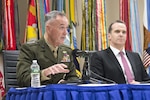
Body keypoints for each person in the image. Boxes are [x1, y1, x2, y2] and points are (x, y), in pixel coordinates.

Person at [16, 11, 79, 87]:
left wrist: (65, 83)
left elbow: (73, 77)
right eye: (61, 27)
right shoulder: (30, 49)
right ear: (48, 29)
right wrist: (44, 73)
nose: (65, 33)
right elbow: (22, 79)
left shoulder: (66, 51)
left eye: (67, 28)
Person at [90, 20, 150, 84]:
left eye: (124, 32)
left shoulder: (135, 56)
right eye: (117, 31)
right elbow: (97, 82)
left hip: (136, 93)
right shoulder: (99, 56)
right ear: (109, 36)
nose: (121, 34)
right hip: (114, 93)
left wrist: (139, 84)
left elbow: (146, 80)